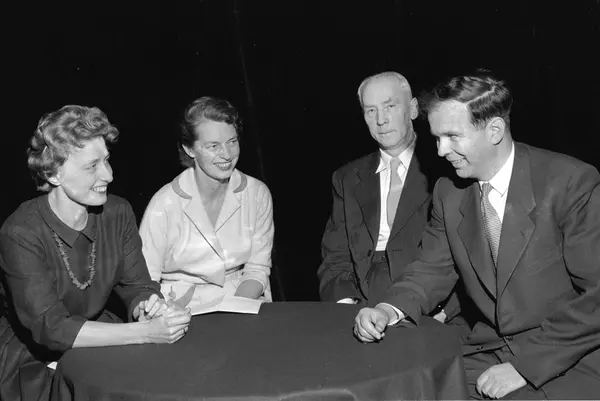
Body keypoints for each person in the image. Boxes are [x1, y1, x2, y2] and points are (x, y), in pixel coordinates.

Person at [353, 70, 600, 399]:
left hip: (568, 357)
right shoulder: (448, 192)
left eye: (452, 136)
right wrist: (387, 309)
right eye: (437, 138)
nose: (441, 151)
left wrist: (524, 367)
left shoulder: (569, 182)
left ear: (494, 130)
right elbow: (430, 270)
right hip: (490, 350)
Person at [0, 105, 191, 400]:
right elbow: (51, 328)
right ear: (53, 173)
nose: (109, 175)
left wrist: (148, 308)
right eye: (92, 166)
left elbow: (138, 286)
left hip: (99, 332)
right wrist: (145, 332)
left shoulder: (118, 212)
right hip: (33, 357)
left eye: (107, 160)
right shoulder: (20, 232)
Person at [317, 71, 459, 322]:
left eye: (390, 106)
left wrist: (443, 313)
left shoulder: (447, 168)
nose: (381, 120)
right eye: (370, 111)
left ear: (413, 109)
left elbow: (465, 255)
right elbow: (336, 256)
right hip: (361, 307)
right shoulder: (347, 178)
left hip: (429, 306)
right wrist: (346, 307)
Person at [139, 96, 273, 310]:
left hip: (242, 298)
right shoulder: (163, 204)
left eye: (232, 142)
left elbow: (257, 269)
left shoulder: (257, 194)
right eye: (213, 146)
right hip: (178, 306)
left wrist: (235, 311)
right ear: (189, 149)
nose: (227, 155)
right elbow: (145, 282)